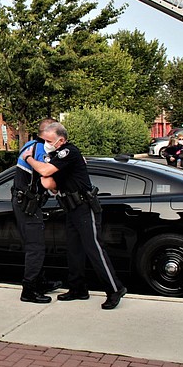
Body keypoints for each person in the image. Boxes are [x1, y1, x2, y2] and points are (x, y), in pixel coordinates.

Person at [21, 122, 127, 310]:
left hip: (84, 206)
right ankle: (78, 288)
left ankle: (115, 289)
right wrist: (45, 170)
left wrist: (29, 159)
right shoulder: (55, 156)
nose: (46, 143)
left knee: (94, 249)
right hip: (71, 207)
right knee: (74, 250)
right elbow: (48, 183)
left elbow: (45, 172)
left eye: (49, 140)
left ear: (60, 140)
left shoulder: (68, 152)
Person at [12, 118, 62, 304]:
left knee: (36, 245)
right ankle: (29, 290)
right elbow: (47, 176)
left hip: (25, 202)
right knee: (35, 248)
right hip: (28, 205)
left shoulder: (30, 145)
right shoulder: (39, 150)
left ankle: (41, 281)